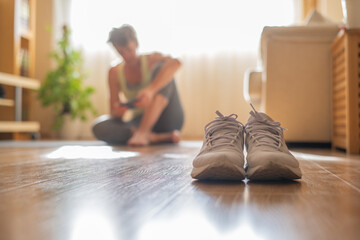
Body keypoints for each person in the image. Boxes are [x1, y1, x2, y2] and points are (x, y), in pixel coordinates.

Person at [92, 24, 184, 146]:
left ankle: (143, 133)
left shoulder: (151, 59)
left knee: (163, 71)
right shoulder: (114, 72)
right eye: (121, 52)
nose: (126, 56)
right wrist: (120, 111)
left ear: (136, 43)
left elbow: (176, 62)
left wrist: (150, 91)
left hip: (168, 119)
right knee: (100, 126)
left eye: (129, 50)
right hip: (139, 120)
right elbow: (113, 113)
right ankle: (155, 138)